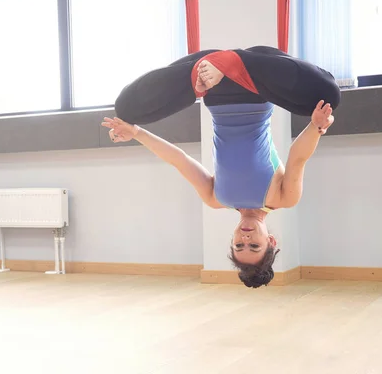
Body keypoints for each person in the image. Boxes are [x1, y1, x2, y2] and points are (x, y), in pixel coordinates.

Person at [102, 46, 340, 288]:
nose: (245, 238)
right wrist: (316, 127)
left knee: (126, 108)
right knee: (329, 92)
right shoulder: (284, 198)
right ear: (271, 241)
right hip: (257, 82)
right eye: (254, 245)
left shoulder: (216, 198)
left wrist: (136, 132)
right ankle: (232, 61)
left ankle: (207, 69)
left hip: (213, 89)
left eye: (239, 245)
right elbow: (298, 158)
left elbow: (179, 159)